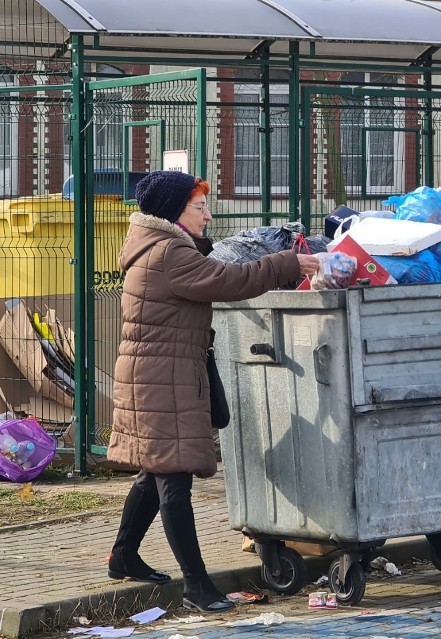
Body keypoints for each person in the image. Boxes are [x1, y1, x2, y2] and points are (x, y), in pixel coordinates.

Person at [105, 170, 319, 612]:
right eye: (199, 206)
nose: (208, 214)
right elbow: (229, 282)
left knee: (156, 469)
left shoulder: (159, 245)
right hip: (161, 376)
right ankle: (197, 587)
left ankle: (123, 555)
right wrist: (287, 263)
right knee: (174, 481)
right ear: (173, 212)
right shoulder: (168, 252)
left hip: (162, 371)